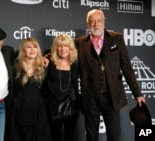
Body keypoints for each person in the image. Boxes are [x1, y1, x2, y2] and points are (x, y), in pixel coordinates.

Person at [75, 9, 146, 141]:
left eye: (99, 20)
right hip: (90, 97)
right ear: (88, 23)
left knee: (114, 135)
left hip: (112, 96)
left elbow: (127, 68)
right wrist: (46, 58)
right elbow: (64, 57)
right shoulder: (79, 43)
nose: (96, 24)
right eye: (92, 21)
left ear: (104, 22)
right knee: (91, 136)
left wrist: (138, 93)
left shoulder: (116, 38)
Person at [10, 37, 51, 141]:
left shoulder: (44, 67)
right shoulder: (16, 67)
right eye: (29, 47)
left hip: (38, 110)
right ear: (23, 50)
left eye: (35, 47)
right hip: (20, 110)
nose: (32, 50)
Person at [44, 33, 80, 141]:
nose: (63, 49)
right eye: (60, 46)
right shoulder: (49, 62)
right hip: (54, 105)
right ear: (55, 48)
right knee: (55, 137)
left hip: (72, 105)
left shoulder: (76, 64)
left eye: (66, 46)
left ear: (71, 48)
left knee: (70, 136)